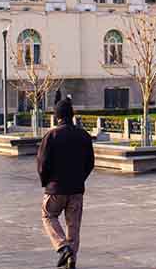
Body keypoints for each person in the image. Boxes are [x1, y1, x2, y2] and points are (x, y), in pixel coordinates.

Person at [37, 98, 95, 269]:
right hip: (76, 189)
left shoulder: (51, 135)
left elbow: (42, 163)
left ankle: (62, 247)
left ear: (57, 117)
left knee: (48, 215)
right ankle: (72, 260)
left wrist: (46, 182)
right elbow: (90, 162)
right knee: (74, 225)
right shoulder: (83, 135)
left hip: (55, 189)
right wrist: (80, 178)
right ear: (72, 116)